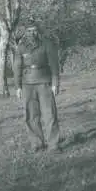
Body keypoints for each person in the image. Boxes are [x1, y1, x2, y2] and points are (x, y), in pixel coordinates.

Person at [14, 24, 61, 152]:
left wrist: (55, 83)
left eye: (35, 30)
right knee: (31, 116)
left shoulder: (47, 44)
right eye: (29, 30)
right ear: (25, 32)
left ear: (38, 31)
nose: (32, 33)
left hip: (44, 82)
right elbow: (17, 67)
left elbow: (54, 65)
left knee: (50, 114)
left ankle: (54, 145)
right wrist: (18, 87)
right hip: (27, 84)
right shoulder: (21, 47)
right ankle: (37, 144)